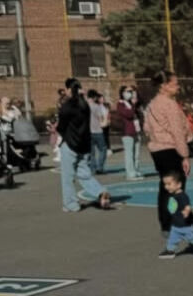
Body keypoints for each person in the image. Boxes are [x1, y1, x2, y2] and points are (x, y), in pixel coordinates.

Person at [143, 71, 191, 235]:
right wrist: (185, 155)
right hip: (171, 149)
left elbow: (146, 128)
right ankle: (175, 222)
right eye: (175, 84)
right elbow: (177, 132)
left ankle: (166, 223)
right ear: (164, 86)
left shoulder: (152, 104)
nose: (178, 87)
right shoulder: (170, 105)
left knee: (165, 187)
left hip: (157, 150)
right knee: (176, 188)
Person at [55, 79, 112, 212]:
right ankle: (100, 191)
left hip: (70, 144)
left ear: (69, 90)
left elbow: (61, 126)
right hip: (84, 144)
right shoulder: (84, 105)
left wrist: (63, 134)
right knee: (84, 174)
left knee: (68, 177)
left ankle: (71, 204)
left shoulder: (67, 106)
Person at [157, 171, 193, 259]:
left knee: (192, 238)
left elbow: (187, 206)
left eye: (169, 184)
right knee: (173, 238)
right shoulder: (173, 194)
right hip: (176, 224)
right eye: (165, 184)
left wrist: (186, 211)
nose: (166, 186)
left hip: (184, 225)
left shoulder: (182, 196)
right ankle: (170, 250)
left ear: (179, 184)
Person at [115, 86, 144, 181]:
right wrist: (134, 105)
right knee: (129, 154)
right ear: (122, 92)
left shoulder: (132, 103)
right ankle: (130, 173)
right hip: (127, 131)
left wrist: (135, 102)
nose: (130, 93)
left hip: (136, 130)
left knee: (136, 153)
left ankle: (136, 170)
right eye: (128, 91)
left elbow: (139, 114)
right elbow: (129, 114)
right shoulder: (121, 104)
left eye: (131, 91)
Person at [86, 90, 109, 173]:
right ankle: (100, 167)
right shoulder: (96, 106)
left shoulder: (84, 106)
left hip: (88, 132)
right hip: (98, 130)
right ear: (94, 97)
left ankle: (92, 167)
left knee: (91, 152)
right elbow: (101, 118)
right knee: (103, 149)